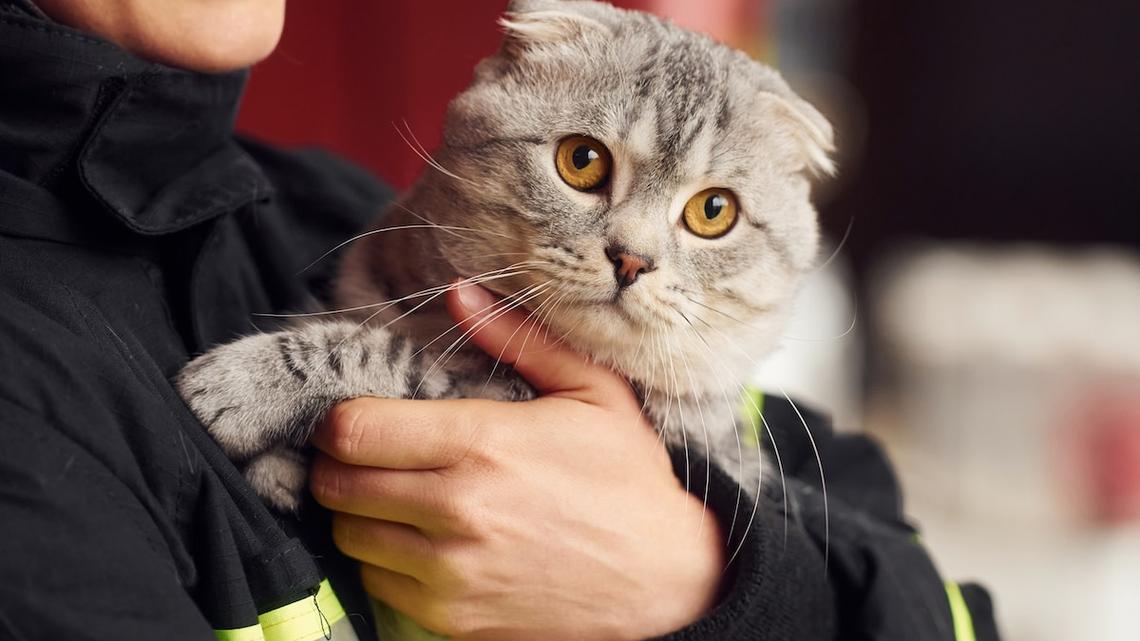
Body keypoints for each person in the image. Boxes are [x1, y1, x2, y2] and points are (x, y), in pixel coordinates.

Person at [0, 1, 1000, 640]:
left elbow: (956, 612)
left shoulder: (319, 210)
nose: (635, 250)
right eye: (585, 166)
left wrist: (714, 578)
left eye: (711, 213)